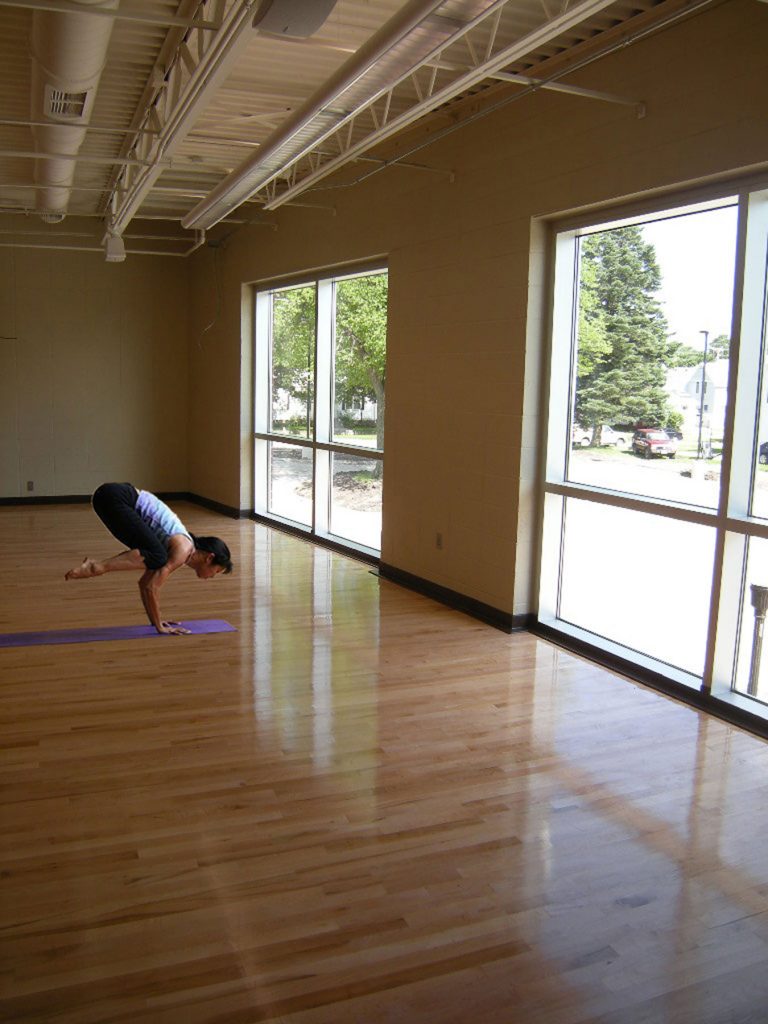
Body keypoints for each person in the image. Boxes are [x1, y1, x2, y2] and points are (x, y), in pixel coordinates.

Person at [65, 483, 233, 635]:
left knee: (156, 555)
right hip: (117, 497)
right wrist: (160, 626)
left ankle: (97, 566)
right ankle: (96, 567)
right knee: (158, 557)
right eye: (216, 571)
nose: (212, 577)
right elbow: (152, 587)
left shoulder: (176, 549)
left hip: (106, 497)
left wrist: (156, 622)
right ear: (209, 558)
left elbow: (145, 585)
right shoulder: (183, 549)